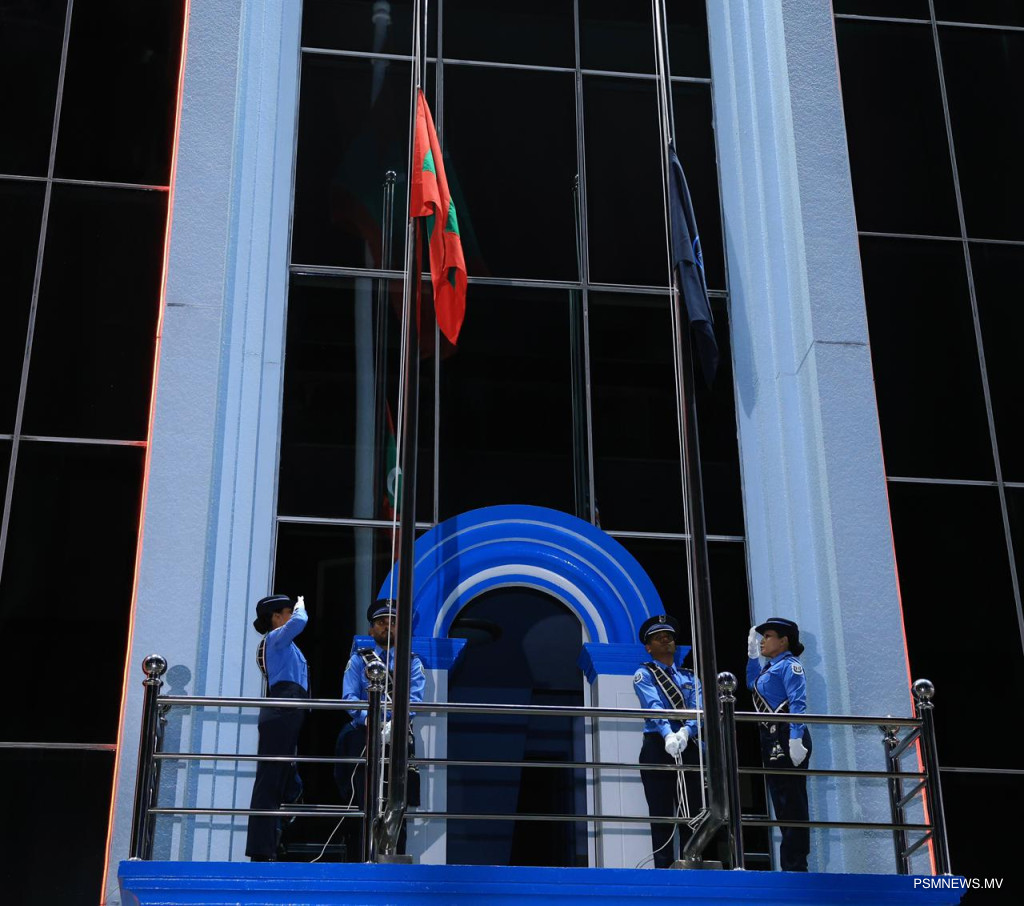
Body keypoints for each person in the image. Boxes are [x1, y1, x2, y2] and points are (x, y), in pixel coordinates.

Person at [334, 598, 425, 859]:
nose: (387, 627)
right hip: (363, 735)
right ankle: (359, 858)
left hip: (396, 736)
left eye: (393, 622)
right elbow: (349, 698)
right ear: (371, 630)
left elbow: (415, 701)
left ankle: (393, 860)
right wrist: (369, 719)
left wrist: (394, 722)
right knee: (362, 801)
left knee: (396, 803)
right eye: (381, 622)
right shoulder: (359, 661)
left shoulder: (411, 663)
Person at [633, 613, 703, 868]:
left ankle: (691, 865)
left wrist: (686, 733)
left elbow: (698, 710)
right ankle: (663, 870)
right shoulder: (644, 674)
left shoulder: (689, 677)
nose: (665, 640)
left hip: (688, 746)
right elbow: (653, 706)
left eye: (669, 636)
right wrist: (668, 734)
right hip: (658, 746)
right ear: (648, 647)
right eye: (658, 637)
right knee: (661, 812)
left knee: (692, 811)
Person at [245, 593, 309, 862]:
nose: (291, 616)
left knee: (284, 775)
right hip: (283, 707)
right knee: (271, 778)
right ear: (276, 617)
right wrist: (301, 606)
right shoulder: (275, 638)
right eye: (287, 612)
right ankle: (261, 849)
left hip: (290, 708)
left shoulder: (283, 644)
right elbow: (300, 622)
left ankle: (273, 841)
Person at [746, 616, 811, 871]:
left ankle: (796, 865)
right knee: (782, 802)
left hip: (787, 733)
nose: (762, 641)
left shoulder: (790, 665)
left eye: (768, 636)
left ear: (784, 641)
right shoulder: (769, 668)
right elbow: (752, 684)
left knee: (792, 801)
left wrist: (796, 737)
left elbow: (798, 702)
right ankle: (791, 864)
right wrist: (752, 656)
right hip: (772, 736)